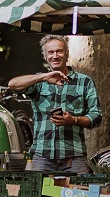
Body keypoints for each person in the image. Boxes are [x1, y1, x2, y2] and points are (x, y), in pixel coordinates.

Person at [7, 35, 101, 173]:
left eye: (59, 51)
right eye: (50, 52)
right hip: (42, 157)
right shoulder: (38, 82)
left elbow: (97, 116)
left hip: (74, 158)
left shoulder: (84, 81)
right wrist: (43, 77)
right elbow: (13, 85)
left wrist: (73, 120)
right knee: (39, 194)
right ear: (45, 56)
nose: (55, 56)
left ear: (67, 54)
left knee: (78, 194)